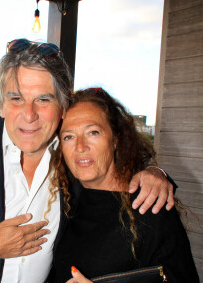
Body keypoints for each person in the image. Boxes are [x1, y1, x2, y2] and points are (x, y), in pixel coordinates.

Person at [0, 40, 174, 283]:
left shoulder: (71, 153)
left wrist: (154, 172)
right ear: (1, 103)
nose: (29, 115)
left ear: (62, 105)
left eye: (43, 99)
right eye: (16, 98)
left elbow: (111, 158)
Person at [49, 88, 199, 283]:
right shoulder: (66, 200)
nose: (80, 146)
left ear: (116, 139)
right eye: (68, 136)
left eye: (93, 132)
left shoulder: (149, 206)